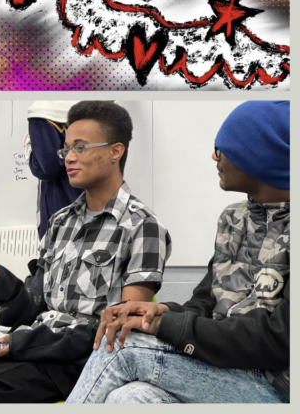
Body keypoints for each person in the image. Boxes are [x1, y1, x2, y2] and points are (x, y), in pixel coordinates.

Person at [0, 101, 172, 403]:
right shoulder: (61, 221)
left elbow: (122, 332)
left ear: (116, 151)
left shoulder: (143, 227)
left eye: (80, 147)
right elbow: (32, 306)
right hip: (35, 344)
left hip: (82, 361)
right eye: (66, 149)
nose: (68, 158)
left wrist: (22, 343)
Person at [68, 101, 288, 404]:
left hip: (278, 387)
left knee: (123, 348)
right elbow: (204, 304)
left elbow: (279, 339)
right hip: (222, 370)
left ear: (258, 155)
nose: (214, 156)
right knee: (130, 397)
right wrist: (160, 311)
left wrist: (166, 326)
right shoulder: (234, 219)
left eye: (222, 149)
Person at [25, 101, 83, 239]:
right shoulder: (102, 104)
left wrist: (29, 150)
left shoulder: (44, 111)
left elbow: (46, 168)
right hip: (99, 201)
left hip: (62, 202)